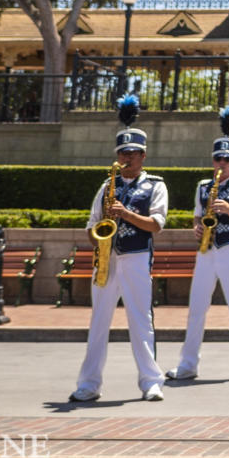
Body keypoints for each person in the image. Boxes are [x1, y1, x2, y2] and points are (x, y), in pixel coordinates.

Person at [70, 95, 167, 402]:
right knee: (98, 322)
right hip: (107, 260)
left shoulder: (156, 186)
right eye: (123, 153)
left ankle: (151, 381)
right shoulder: (105, 186)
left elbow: (156, 225)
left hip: (137, 258)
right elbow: (91, 225)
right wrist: (99, 240)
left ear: (143, 156)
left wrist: (125, 214)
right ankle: (88, 384)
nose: (127, 158)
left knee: (141, 321)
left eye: (133, 153)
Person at [165, 107, 229, 382]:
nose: (222, 163)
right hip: (207, 252)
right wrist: (197, 228)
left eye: (227, 159)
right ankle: (187, 365)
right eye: (218, 159)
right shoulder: (202, 186)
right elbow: (197, 217)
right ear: (212, 160)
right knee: (196, 308)